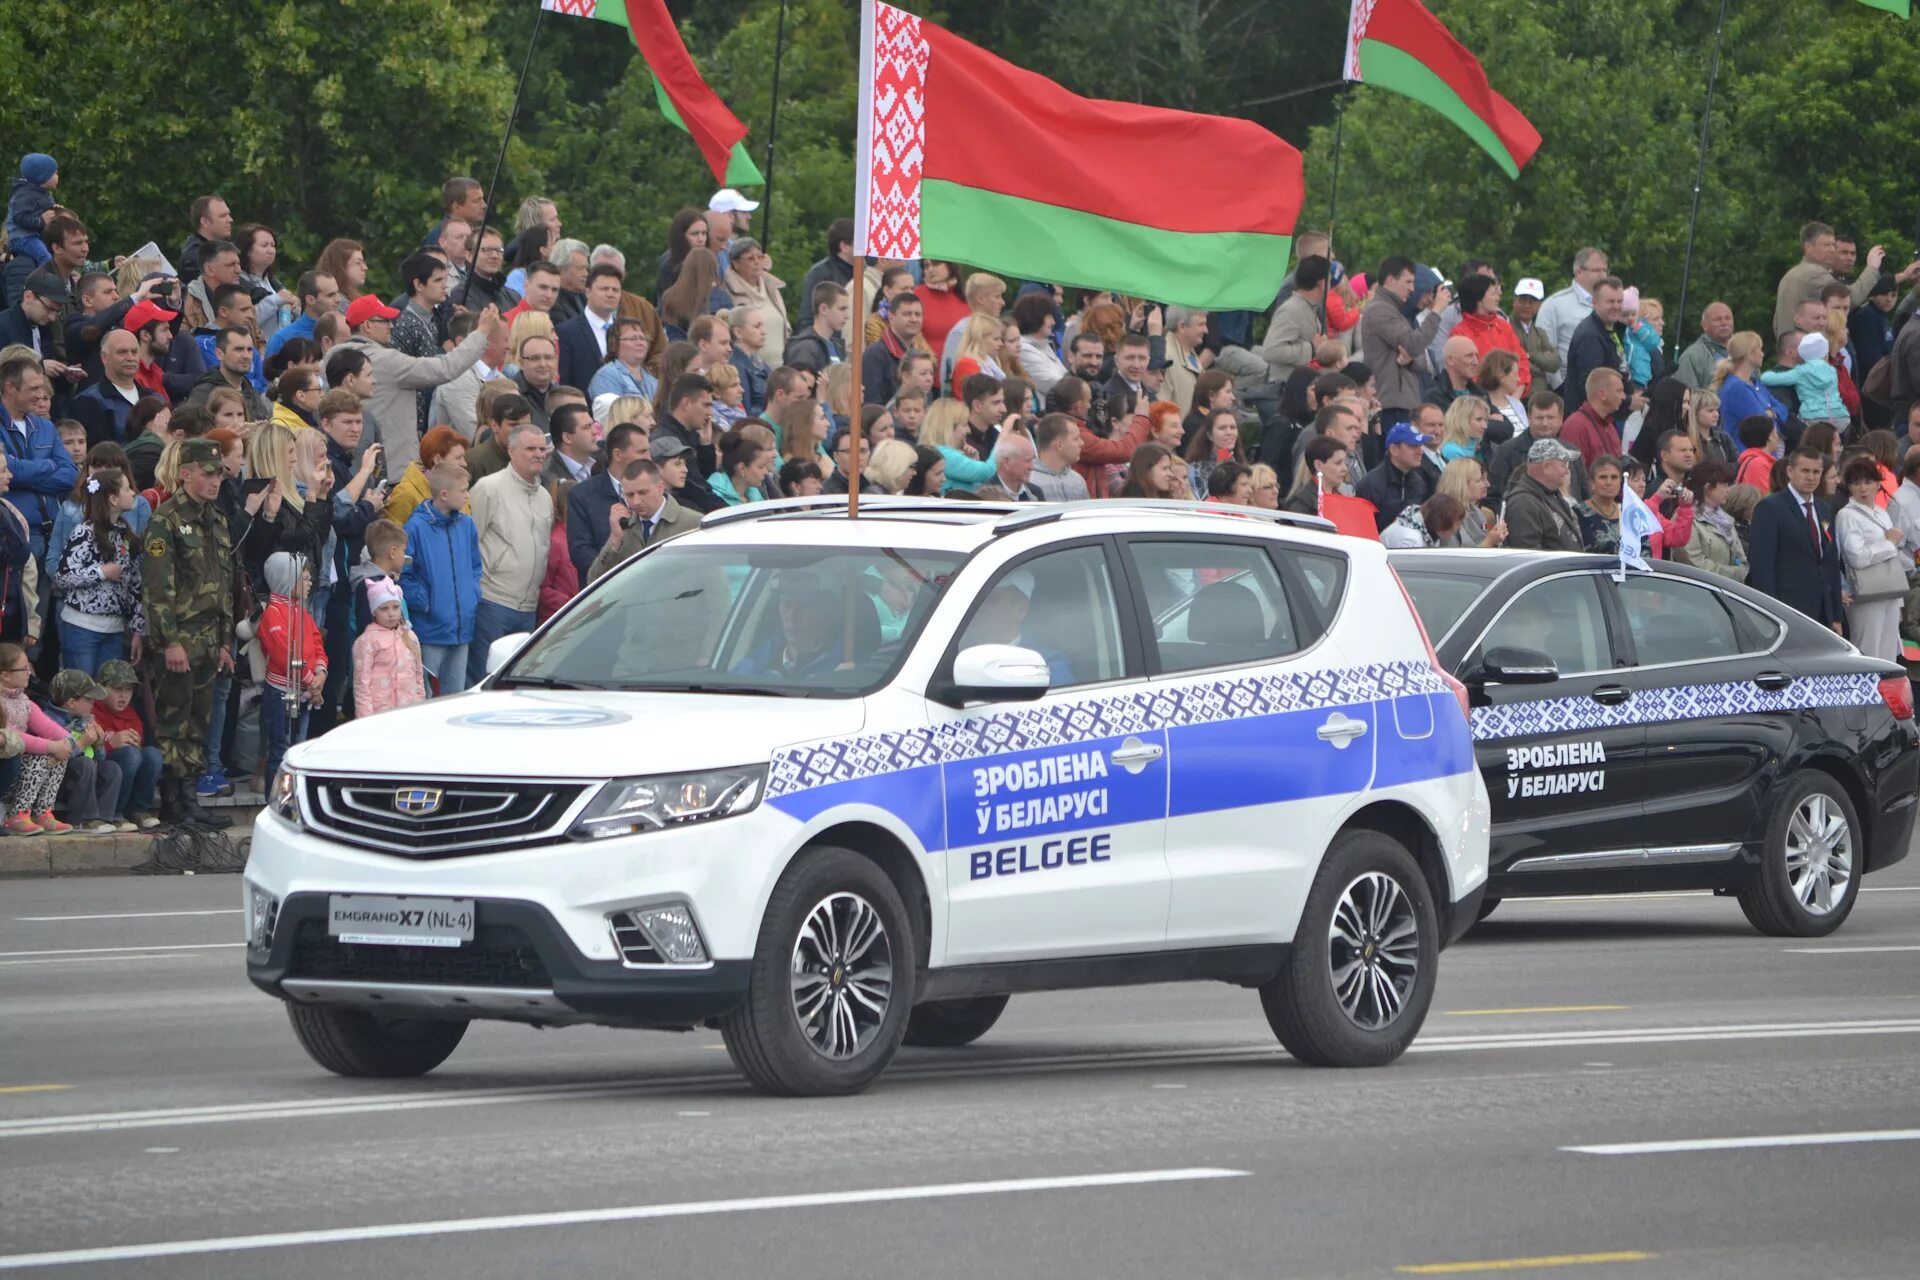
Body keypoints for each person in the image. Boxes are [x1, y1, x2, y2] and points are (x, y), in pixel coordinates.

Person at [140, 439, 235, 827]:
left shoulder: (216, 519)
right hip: (180, 635)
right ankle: (172, 801)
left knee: (199, 720)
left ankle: (191, 796)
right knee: (172, 721)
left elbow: (224, 582)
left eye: (219, 475)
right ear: (185, 473)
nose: (215, 482)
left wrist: (226, 641)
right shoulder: (165, 519)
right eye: (207, 474)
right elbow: (158, 587)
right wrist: (169, 641)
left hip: (210, 637)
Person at [339, 295, 501, 471]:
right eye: (385, 321)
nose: (391, 326)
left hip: (345, 465)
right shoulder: (387, 361)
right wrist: (482, 332)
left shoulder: (330, 357)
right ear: (367, 325)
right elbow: (445, 369)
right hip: (391, 470)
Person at [465, 422, 553, 686]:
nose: (538, 454)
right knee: (485, 681)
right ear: (511, 451)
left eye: (541, 448)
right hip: (492, 602)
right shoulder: (488, 488)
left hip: (528, 607)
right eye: (530, 449)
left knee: (515, 685)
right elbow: (470, 543)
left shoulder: (546, 496)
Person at [52, 466, 143, 674]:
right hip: (82, 629)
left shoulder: (126, 535)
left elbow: (136, 583)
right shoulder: (85, 532)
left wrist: (138, 629)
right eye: (127, 489)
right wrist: (101, 572)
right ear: (113, 499)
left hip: (115, 630)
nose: (133, 493)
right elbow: (62, 577)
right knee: (82, 694)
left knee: (106, 697)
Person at [401, 461, 480, 696]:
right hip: (430, 630)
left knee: (455, 697)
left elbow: (476, 567)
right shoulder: (414, 527)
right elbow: (404, 574)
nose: (467, 495)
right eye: (463, 490)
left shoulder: (467, 525)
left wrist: (473, 596)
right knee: (425, 696)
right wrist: (426, 603)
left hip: (461, 628)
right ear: (444, 494)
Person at [1749, 447, 1846, 633]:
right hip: (1787, 608)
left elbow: (1830, 562)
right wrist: (1770, 613)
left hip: (1822, 610)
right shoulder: (1770, 508)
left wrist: (1835, 615)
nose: (1811, 477)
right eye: (1805, 471)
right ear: (1790, 471)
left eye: (1816, 472)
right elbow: (1762, 565)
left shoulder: (1824, 509)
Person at [0, 355, 80, 566]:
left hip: (55, 530)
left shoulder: (44, 426)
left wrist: (24, 477)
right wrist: (49, 465)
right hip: (15, 535)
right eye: (33, 388)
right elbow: (9, 469)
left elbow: (70, 473)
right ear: (10, 387)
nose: (40, 394)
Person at [257, 549, 326, 781]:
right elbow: (283, 654)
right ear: (287, 579)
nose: (309, 583)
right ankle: (276, 801)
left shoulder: (302, 611)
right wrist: (311, 682)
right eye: (304, 578)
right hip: (281, 693)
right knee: (281, 752)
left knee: (299, 752)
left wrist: (321, 672)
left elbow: (317, 642)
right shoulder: (273, 614)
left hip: (305, 691)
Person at [1360, 257, 1450, 429]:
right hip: (1390, 404)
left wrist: (1411, 360)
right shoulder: (1381, 310)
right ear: (1390, 280)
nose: (1412, 288)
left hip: (1402, 402)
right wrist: (1437, 311)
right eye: (1408, 282)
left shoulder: (1395, 311)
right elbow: (1413, 345)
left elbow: (1420, 359)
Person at [0, 644, 73, 835]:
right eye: (24, 669)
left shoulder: (23, 700)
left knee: (58, 755)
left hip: (18, 765)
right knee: (39, 756)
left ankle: (42, 812)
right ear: (5, 675)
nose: (29, 672)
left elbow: (48, 727)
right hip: (6, 768)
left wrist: (70, 742)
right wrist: (51, 746)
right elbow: (14, 737)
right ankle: (18, 814)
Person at [588, 459, 700, 582]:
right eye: (630, 495)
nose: (636, 501)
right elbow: (594, 580)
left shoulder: (693, 523)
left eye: (642, 493)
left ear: (660, 488)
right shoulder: (623, 528)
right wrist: (614, 541)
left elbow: (711, 578)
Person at [92, 658, 162, 830]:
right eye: (117, 689)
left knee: (152, 754)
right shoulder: (90, 710)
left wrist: (137, 747)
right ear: (100, 687)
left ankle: (138, 811)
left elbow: (139, 755)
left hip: (125, 770)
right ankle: (116, 813)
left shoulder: (132, 715)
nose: (123, 695)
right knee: (130, 755)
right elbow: (80, 750)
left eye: (128, 690)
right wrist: (110, 744)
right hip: (98, 774)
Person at [1537, 247, 1609, 388]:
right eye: (1597, 271)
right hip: (1570, 387)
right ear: (1578, 271)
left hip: (1607, 389)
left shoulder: (1612, 305)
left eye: (1605, 270)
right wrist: (1560, 387)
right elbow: (1545, 351)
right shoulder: (1554, 305)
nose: (1603, 276)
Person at [353, 576, 425, 717]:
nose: (391, 613)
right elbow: (362, 685)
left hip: (408, 715)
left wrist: (419, 710)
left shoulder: (411, 638)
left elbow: (418, 679)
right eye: (384, 609)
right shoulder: (366, 641)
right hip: (379, 716)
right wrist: (365, 721)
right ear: (374, 611)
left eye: (396, 607)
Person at [1504, 438, 1585, 552]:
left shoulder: (1551, 494)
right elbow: (1528, 554)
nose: (1567, 471)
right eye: (1563, 465)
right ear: (1546, 467)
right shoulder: (1523, 503)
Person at [1353, 421, 1435, 530]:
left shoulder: (1418, 482)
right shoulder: (1371, 484)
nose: (1420, 452)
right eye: (1413, 446)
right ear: (1394, 449)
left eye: (1420, 446)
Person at [1262, 256, 1328, 385]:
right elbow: (1271, 351)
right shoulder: (1291, 310)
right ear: (1321, 283)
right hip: (1287, 387)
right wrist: (1311, 348)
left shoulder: (1309, 308)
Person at [1762, 331, 1847, 428]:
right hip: (1814, 432)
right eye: (1805, 345)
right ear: (1790, 352)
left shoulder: (1802, 373)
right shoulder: (1830, 371)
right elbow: (1786, 417)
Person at [1684, 461, 1748, 582]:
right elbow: (1694, 563)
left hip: (1730, 591)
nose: (1728, 490)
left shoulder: (1726, 520)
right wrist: (1735, 574)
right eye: (1724, 485)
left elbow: (1741, 559)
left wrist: (1741, 570)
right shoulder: (1686, 518)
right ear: (1708, 488)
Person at [1028, 413, 1089, 501]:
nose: (1082, 443)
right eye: (1076, 439)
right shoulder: (1030, 481)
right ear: (1059, 445)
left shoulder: (1078, 481)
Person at [1676, 302, 1735, 390]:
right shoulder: (1691, 356)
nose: (1724, 323)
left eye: (1728, 318)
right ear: (1704, 325)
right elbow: (1689, 396)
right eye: (1717, 319)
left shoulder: (1744, 353)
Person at [1382, 493, 1466, 549]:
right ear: (1442, 523)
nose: (1459, 528)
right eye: (1458, 524)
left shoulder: (1430, 534)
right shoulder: (1412, 541)